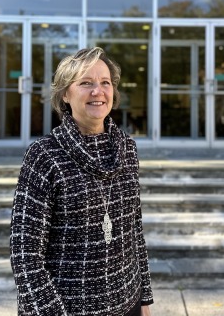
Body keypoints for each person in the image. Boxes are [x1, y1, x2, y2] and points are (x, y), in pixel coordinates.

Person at [10, 47, 154, 315]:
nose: (97, 91)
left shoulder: (128, 149)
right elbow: (25, 254)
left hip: (128, 303)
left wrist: (144, 298)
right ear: (65, 93)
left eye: (105, 83)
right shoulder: (44, 155)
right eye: (85, 83)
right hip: (69, 309)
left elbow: (134, 230)